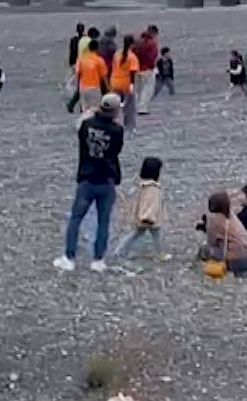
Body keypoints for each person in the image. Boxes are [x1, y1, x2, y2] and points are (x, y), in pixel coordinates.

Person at [55, 93, 125, 273]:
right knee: (103, 221)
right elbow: (116, 151)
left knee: (76, 219)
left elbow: (81, 136)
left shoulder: (87, 125)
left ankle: (69, 258)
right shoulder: (117, 130)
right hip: (107, 179)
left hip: (87, 177)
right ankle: (98, 259)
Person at [116, 156, 167, 264]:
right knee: (156, 236)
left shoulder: (142, 185)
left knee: (135, 234)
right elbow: (151, 204)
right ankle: (160, 254)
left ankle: (120, 251)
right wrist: (148, 216)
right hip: (150, 218)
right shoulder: (153, 188)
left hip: (142, 216)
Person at [198, 190, 247, 275]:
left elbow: (211, 242)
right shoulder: (231, 214)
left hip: (237, 261)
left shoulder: (213, 220)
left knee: (204, 249)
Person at [109, 37, 140, 133]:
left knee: (114, 106)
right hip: (126, 83)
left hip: (114, 82)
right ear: (132, 45)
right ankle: (130, 126)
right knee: (130, 107)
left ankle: (112, 123)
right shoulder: (132, 57)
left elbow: (113, 67)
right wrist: (131, 84)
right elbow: (132, 73)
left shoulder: (117, 54)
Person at [75, 39, 108, 115]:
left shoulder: (81, 59)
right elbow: (104, 77)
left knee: (85, 109)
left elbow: (78, 74)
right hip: (94, 87)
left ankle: (84, 124)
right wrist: (108, 89)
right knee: (95, 108)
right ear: (97, 48)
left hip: (83, 87)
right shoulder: (99, 60)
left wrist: (78, 87)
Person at [133, 26, 160, 112]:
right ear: (154, 33)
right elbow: (152, 57)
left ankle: (134, 106)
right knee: (147, 89)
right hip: (147, 69)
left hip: (136, 69)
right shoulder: (152, 43)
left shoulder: (137, 41)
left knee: (137, 89)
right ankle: (142, 108)